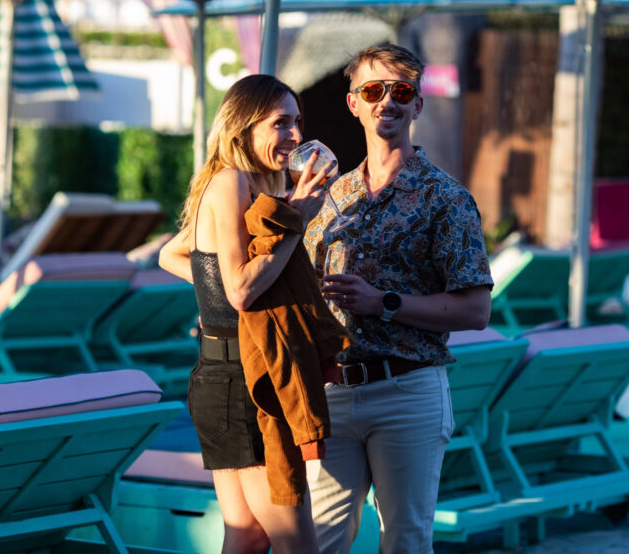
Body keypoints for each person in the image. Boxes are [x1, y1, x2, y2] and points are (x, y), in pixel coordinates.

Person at [304, 44, 494, 554]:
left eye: (400, 91)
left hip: (406, 391)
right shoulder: (328, 198)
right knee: (319, 542)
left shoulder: (445, 198)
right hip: (333, 391)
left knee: (406, 543)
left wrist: (384, 302)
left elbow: (476, 312)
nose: (386, 100)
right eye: (373, 90)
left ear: (417, 105)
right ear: (354, 104)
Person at [159, 74, 333, 554]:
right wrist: (294, 220)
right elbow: (240, 289)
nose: (295, 135)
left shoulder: (262, 182)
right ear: (243, 127)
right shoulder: (228, 182)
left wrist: (216, 298)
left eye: (297, 122)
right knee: (298, 544)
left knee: (248, 537)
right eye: (281, 123)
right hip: (240, 381)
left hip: (228, 371)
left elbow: (173, 255)